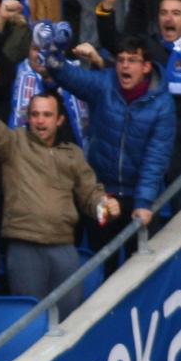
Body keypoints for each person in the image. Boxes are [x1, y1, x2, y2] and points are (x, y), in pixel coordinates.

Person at [0, 64, 116, 317]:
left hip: (63, 248)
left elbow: (90, 194)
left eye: (47, 115)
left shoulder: (73, 153)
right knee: (31, 322)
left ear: (59, 119)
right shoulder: (13, 143)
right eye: (35, 114)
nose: (40, 120)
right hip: (25, 247)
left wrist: (105, 207)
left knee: (70, 321)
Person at [49, 37, 173, 247]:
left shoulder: (162, 105)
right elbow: (69, 76)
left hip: (137, 196)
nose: (124, 65)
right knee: (102, 262)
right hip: (102, 193)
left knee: (137, 268)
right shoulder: (105, 83)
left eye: (132, 60)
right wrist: (53, 55)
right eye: (121, 60)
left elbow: (156, 158)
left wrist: (143, 203)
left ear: (146, 67)